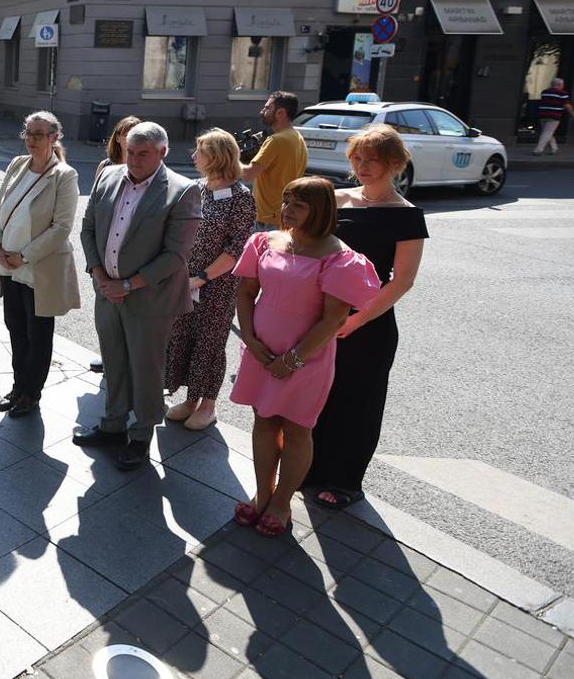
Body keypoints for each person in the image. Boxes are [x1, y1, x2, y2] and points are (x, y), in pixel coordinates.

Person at [231, 177, 381, 535]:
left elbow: (333, 319)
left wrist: (293, 360)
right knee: (264, 422)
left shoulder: (340, 258)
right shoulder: (264, 241)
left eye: (298, 204)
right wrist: (250, 339)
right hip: (262, 353)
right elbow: (245, 292)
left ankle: (282, 502)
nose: (287, 210)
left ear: (321, 210)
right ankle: (262, 494)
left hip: (307, 359)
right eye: (286, 201)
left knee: (298, 430)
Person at [304, 125, 427, 510]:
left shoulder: (407, 216)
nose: (363, 165)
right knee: (316, 396)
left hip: (368, 325)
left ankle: (344, 480)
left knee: (358, 402)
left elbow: (402, 281)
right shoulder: (337, 200)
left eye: (373, 159)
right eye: (357, 157)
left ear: (394, 163)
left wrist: (356, 320)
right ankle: (309, 468)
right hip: (321, 315)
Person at [73, 121, 203, 469]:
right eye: (130, 151)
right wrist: (101, 277)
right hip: (107, 293)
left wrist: (128, 285)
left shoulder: (182, 190)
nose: (134, 159)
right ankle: (113, 424)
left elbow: (176, 256)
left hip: (149, 298)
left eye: (143, 153)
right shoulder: (108, 176)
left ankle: (142, 433)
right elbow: (88, 230)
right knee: (113, 361)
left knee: (146, 368)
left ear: (162, 152)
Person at [0, 111, 81, 417]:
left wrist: (24, 255)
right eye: (28, 133)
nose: (31, 139)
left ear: (55, 138)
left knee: (37, 334)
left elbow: (62, 227)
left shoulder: (64, 176)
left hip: (38, 267)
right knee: (15, 326)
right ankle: (18, 386)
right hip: (8, 263)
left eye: (39, 134)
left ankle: (31, 393)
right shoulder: (17, 164)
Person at [164, 129, 256, 432]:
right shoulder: (197, 188)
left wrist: (201, 278)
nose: (193, 157)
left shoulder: (242, 198)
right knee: (184, 336)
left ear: (217, 156)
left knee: (210, 343)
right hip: (186, 281)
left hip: (217, 285)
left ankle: (208, 406)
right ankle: (190, 400)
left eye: (199, 151)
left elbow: (236, 248)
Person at [241, 91, 307, 231]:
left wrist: (227, 158)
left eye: (267, 108)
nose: (262, 111)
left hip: (268, 219)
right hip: (283, 215)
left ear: (280, 113)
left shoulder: (276, 140)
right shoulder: (297, 137)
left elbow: (248, 175)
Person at [95, 115, 142, 187]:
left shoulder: (146, 167)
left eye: (134, 136)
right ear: (117, 138)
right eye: (126, 135)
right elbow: (96, 195)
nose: (130, 139)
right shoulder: (104, 166)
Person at [533, 77, 574, 155]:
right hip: (554, 115)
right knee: (547, 132)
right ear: (560, 85)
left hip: (543, 114)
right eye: (562, 84)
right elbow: (567, 105)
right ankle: (538, 149)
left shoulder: (545, 92)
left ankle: (554, 148)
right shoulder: (562, 94)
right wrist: (573, 114)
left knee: (547, 132)